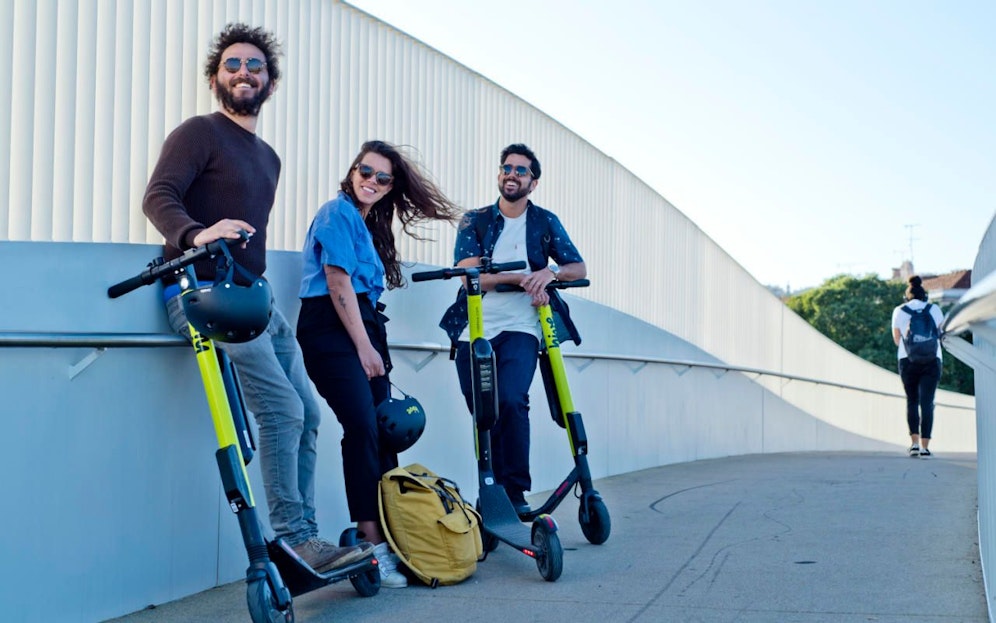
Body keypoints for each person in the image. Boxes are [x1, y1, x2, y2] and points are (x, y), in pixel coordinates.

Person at [142, 23, 368, 572]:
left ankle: (305, 537)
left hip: (254, 297)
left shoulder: (269, 157)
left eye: (255, 66)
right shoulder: (198, 132)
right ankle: (296, 539)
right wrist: (199, 233)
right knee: (282, 411)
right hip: (202, 292)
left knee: (310, 415)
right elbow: (158, 197)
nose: (245, 73)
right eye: (233, 65)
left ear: (271, 81)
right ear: (216, 77)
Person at [297, 140, 461, 587]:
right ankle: (371, 545)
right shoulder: (336, 212)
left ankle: (395, 534)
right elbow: (336, 281)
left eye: (382, 178)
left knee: (386, 431)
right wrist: (364, 348)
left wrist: (372, 343)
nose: (371, 181)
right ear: (352, 172)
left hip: (365, 326)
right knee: (363, 428)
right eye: (364, 172)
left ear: (391, 187)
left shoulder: (368, 226)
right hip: (331, 329)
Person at [439, 143, 586, 514]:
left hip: (522, 326)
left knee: (511, 400)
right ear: (499, 174)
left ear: (533, 183)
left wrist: (548, 273)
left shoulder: (544, 222)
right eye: (507, 168)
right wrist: (523, 278)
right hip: (474, 327)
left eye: (521, 171)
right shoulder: (476, 220)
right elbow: (468, 272)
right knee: (483, 411)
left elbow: (577, 267)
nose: (512, 174)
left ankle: (514, 492)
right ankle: (492, 487)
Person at [891, 275, 945, 458]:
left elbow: (897, 339)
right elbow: (942, 335)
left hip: (907, 360)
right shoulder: (935, 309)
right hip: (932, 360)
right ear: (925, 296)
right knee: (927, 402)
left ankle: (914, 444)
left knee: (912, 400)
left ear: (906, 296)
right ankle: (925, 447)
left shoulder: (899, 311)